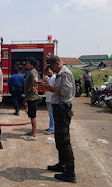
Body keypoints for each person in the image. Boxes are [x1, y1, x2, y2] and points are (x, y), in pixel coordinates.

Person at [40, 55, 76, 183]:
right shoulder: (59, 74)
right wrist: (47, 87)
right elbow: (57, 90)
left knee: (64, 141)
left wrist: (51, 88)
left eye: (51, 66)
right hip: (58, 109)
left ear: (56, 63)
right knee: (59, 139)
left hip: (63, 109)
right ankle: (62, 164)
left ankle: (70, 172)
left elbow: (66, 92)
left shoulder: (65, 74)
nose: (51, 70)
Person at [23, 57, 39, 141]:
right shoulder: (32, 71)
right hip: (30, 97)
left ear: (32, 64)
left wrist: (31, 86)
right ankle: (32, 131)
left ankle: (34, 134)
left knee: (33, 116)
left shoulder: (33, 72)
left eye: (28, 63)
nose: (26, 65)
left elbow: (35, 80)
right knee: (31, 115)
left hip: (33, 98)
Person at [44, 66, 56, 135]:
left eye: (48, 71)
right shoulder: (49, 78)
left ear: (52, 70)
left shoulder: (54, 78)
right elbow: (46, 87)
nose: (47, 73)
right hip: (48, 98)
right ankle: (51, 127)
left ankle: (52, 129)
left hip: (52, 98)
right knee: (50, 114)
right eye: (46, 72)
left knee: (52, 115)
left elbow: (54, 88)